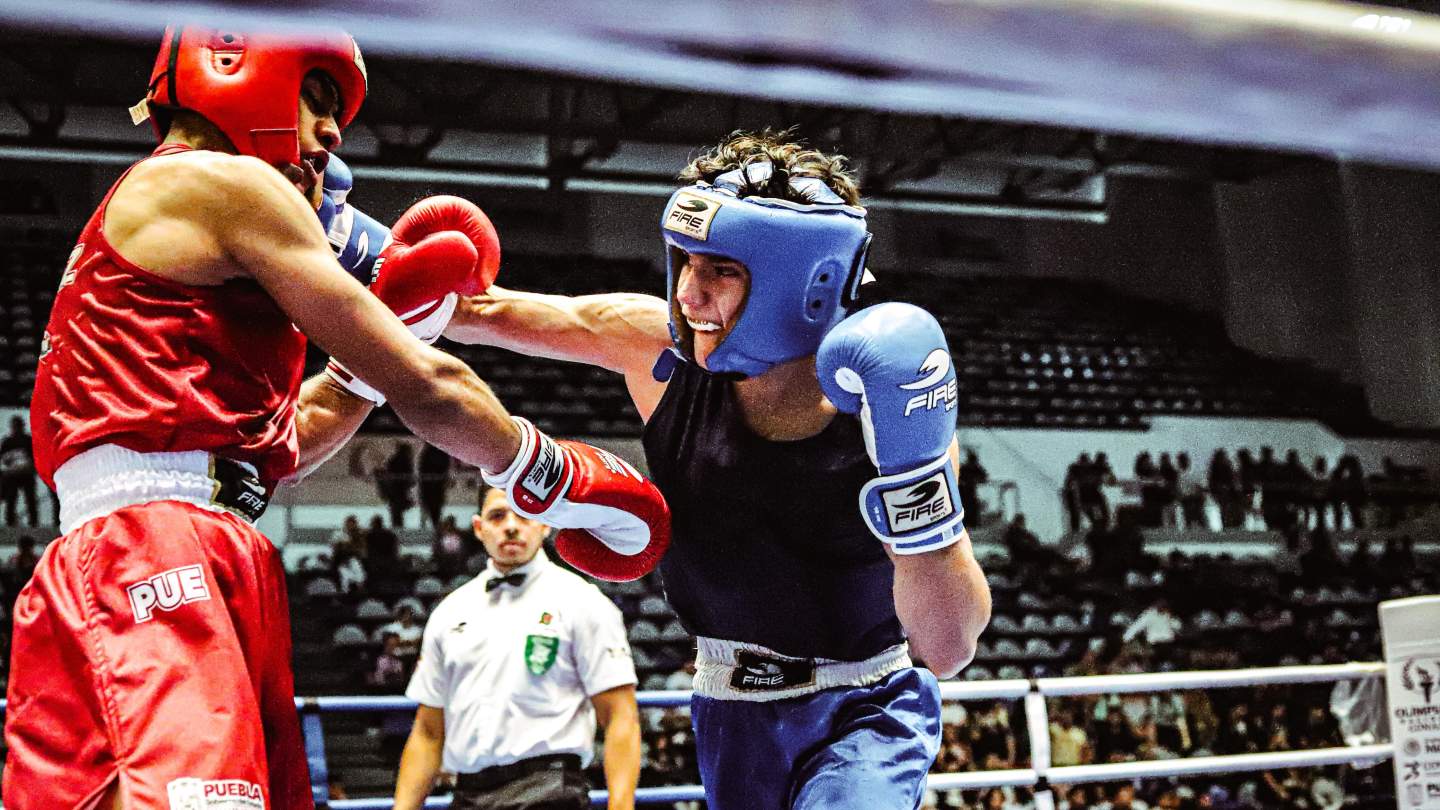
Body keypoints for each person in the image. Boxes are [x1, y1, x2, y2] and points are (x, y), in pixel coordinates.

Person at [6, 26, 669, 809]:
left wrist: (360, 371)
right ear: (233, 67)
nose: (331, 134)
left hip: (181, 538)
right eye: (316, 102)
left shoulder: (203, 224)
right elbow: (427, 382)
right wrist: (542, 468)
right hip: (153, 550)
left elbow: (280, 446)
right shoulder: (216, 180)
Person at [441, 130, 992, 809]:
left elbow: (947, 645)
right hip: (729, 710)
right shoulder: (662, 355)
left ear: (805, 281)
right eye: (685, 263)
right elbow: (476, 310)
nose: (690, 297)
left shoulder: (886, 409)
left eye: (723, 271)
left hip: (868, 708)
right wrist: (343, 247)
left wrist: (918, 497)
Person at [394, 486, 642, 810]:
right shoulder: (449, 613)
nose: (511, 525)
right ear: (479, 529)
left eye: (525, 514)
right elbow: (428, 731)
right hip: (468, 795)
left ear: (545, 523)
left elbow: (621, 715)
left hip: (549, 791)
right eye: (497, 516)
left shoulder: (583, 602)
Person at [0, 416, 38, 527]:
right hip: (13, 475)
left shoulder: (28, 440)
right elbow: (3, 459)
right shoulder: (7, 442)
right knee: (12, 499)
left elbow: (36, 457)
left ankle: (33, 522)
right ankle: (10, 522)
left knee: (30, 499)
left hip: (26, 474)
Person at [418, 442, 454, 531]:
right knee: (434, 506)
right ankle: (433, 524)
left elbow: (422, 467)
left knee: (429, 505)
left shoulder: (427, 452)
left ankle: (428, 524)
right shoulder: (440, 452)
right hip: (435, 484)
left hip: (429, 484)